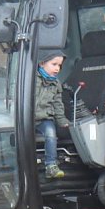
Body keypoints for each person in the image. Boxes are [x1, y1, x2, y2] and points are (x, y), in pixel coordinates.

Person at [35, 50, 70, 179]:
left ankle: (51, 165)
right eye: (54, 64)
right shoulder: (31, 79)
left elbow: (58, 104)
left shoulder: (56, 84)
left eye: (59, 66)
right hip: (28, 117)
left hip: (44, 118)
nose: (57, 68)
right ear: (42, 63)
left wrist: (62, 120)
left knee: (51, 133)